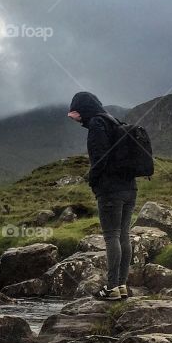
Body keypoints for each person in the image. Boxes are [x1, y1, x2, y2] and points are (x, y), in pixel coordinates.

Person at [67, 91, 136, 300]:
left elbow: (99, 158)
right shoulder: (113, 121)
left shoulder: (97, 124)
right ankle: (122, 287)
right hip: (130, 187)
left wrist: (93, 180)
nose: (76, 119)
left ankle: (111, 288)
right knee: (123, 235)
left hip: (110, 190)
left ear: (85, 109)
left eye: (77, 112)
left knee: (111, 236)